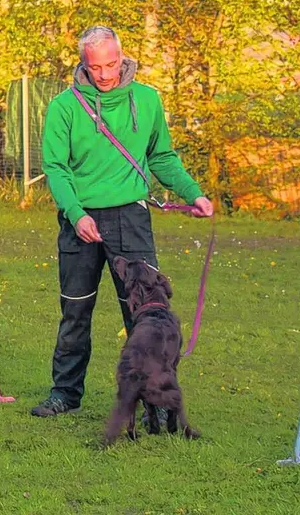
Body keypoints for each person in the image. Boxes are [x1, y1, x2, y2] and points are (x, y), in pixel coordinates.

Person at [31, 25, 214, 419]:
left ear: (123, 56)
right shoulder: (64, 107)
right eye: (96, 67)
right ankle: (65, 393)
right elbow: (56, 168)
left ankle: (157, 403)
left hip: (131, 217)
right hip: (80, 219)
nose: (106, 74)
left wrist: (193, 192)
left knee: (147, 316)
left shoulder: (147, 100)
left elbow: (162, 157)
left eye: (112, 64)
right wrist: (76, 213)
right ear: (83, 64)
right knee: (76, 311)